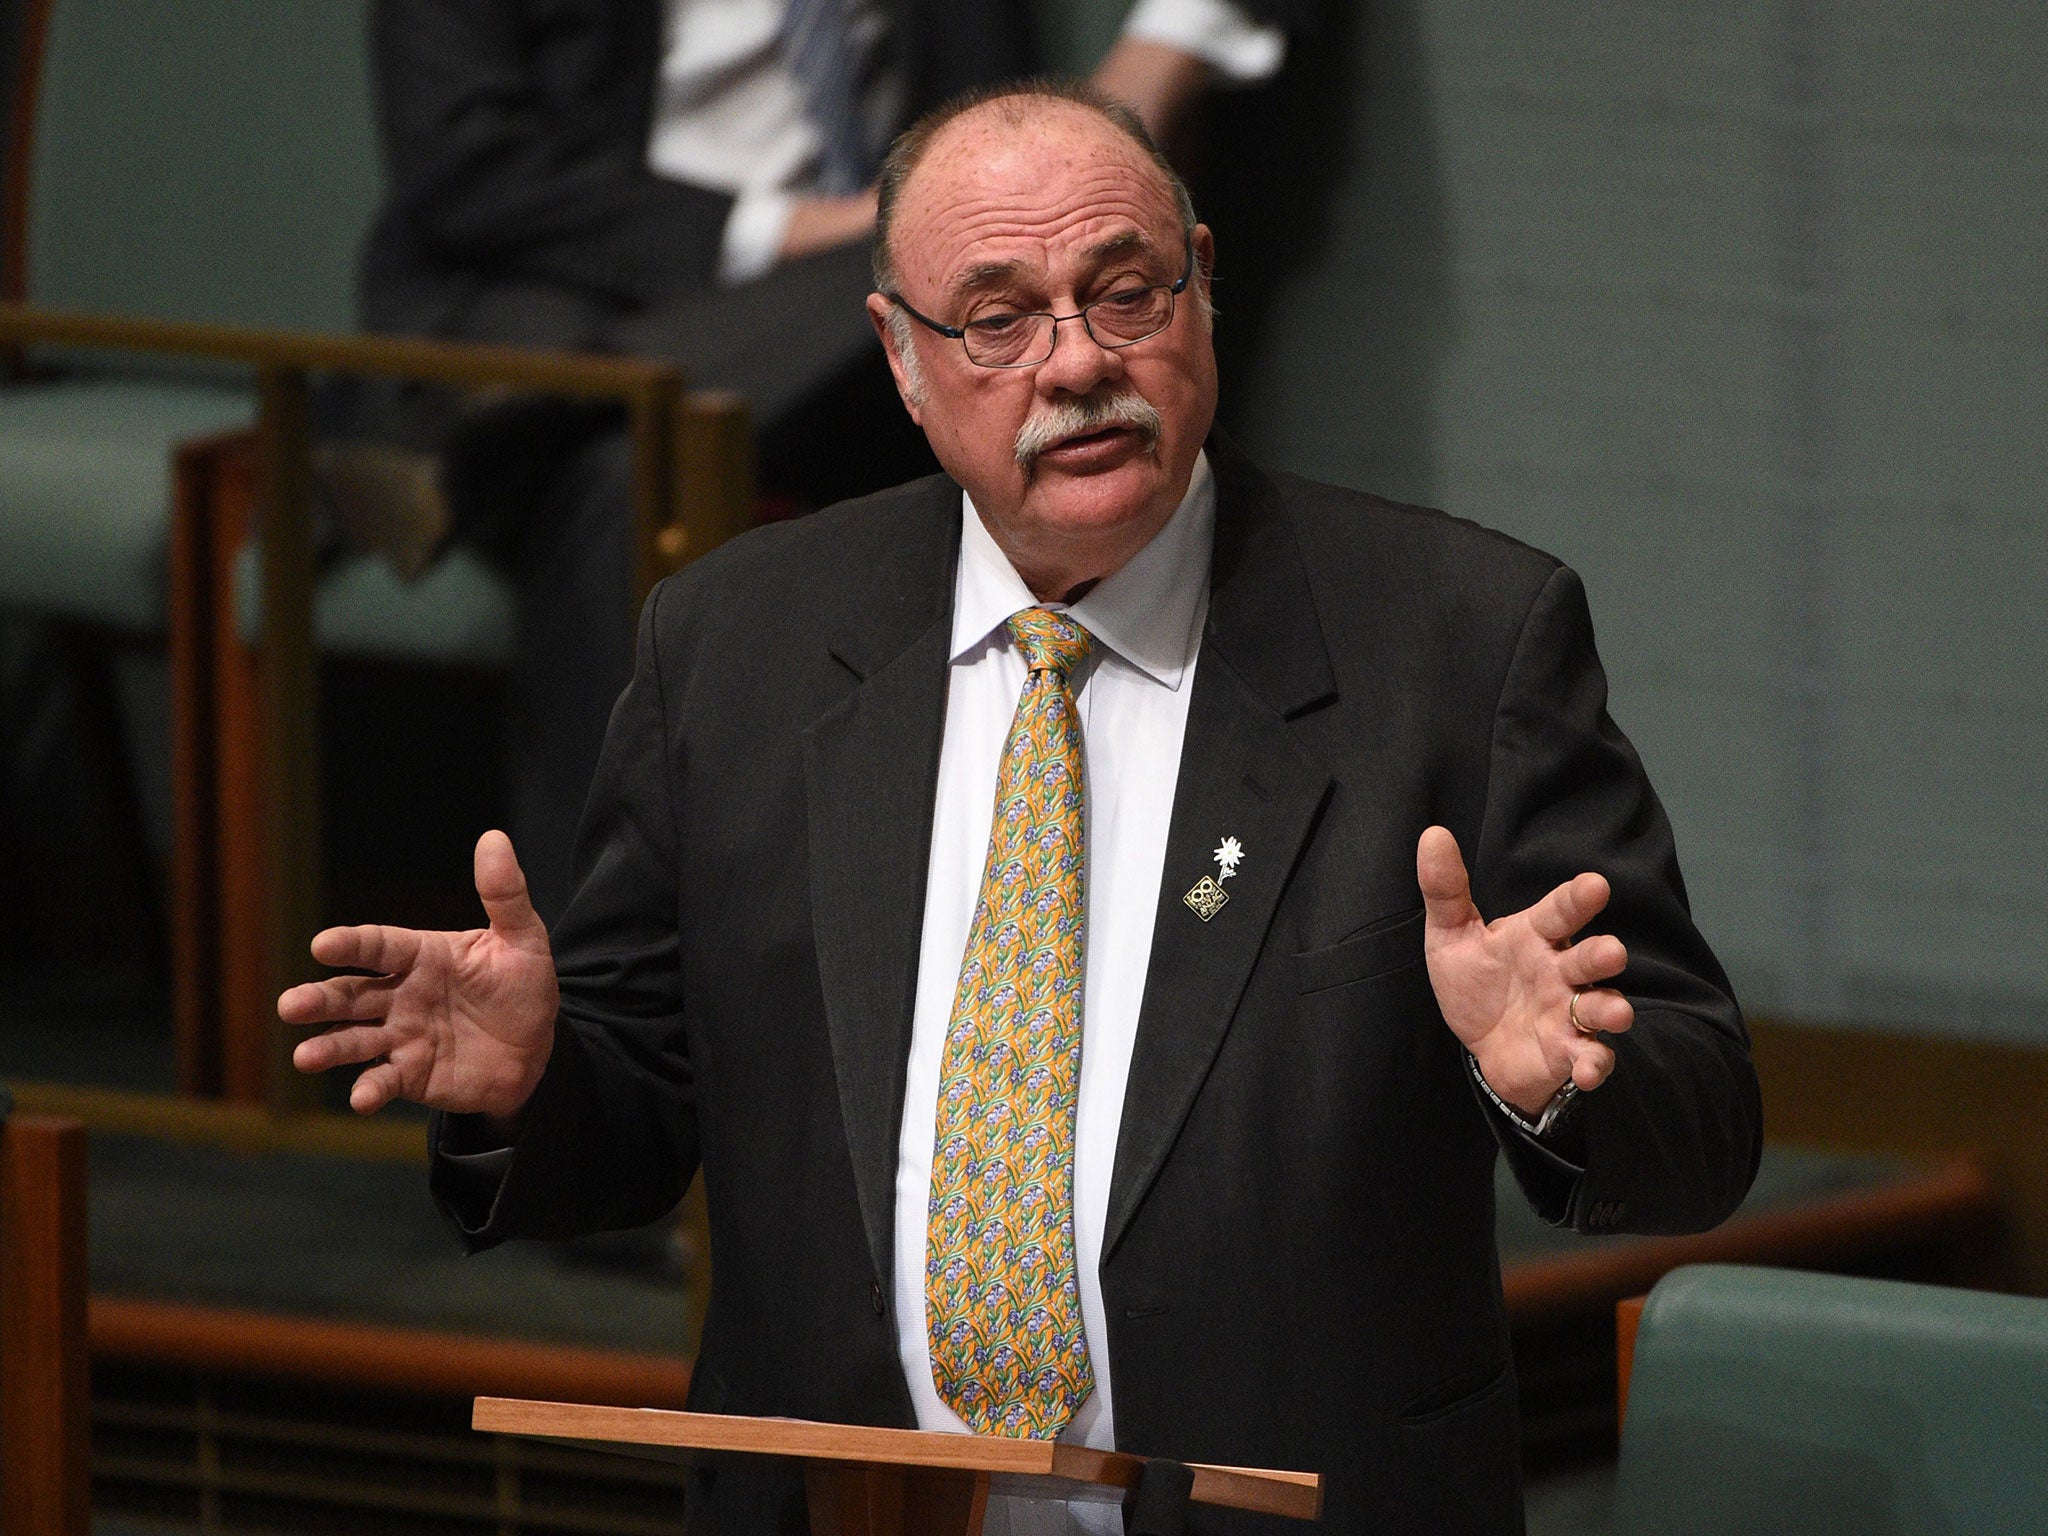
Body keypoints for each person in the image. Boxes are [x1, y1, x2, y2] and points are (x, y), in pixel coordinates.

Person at [285, 82, 1762, 1536]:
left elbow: (1700, 1121)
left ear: (1201, 286)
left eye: (1126, 292)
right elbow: (635, 1108)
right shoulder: (737, 645)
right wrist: (532, 1085)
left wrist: (1559, 1078)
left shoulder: (1453, 640)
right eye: (998, 320)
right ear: (902, 358)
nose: (1075, 363)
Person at [344, 0, 1310, 924]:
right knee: (620, 484)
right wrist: (787, 231)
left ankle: (490, 433)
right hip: (572, 287)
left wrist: (1152, 58)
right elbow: (470, 169)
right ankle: (592, 1005)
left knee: (941, 288)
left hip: (856, 321)